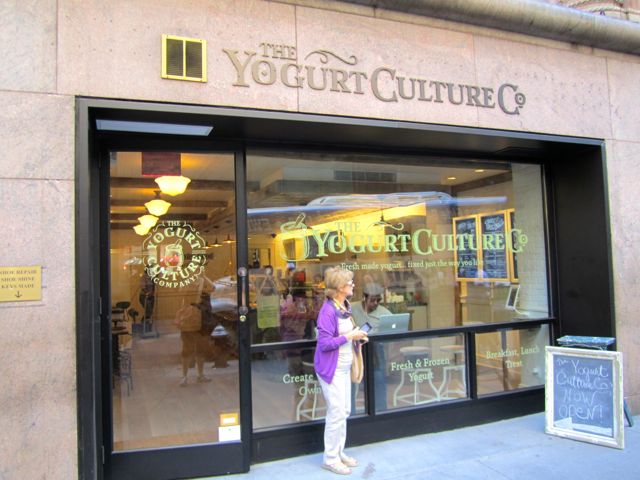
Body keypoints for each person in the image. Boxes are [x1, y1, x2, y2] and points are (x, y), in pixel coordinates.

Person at [314, 267, 368, 475]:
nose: (353, 284)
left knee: (344, 410)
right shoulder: (327, 311)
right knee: (336, 412)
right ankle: (330, 459)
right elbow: (325, 344)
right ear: (339, 287)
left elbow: (346, 336)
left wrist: (357, 337)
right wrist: (349, 337)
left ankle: (338, 452)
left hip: (344, 367)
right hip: (332, 369)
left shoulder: (344, 306)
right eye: (349, 282)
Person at [351, 283, 392, 411]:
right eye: (372, 300)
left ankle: (380, 411)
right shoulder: (352, 308)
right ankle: (351, 413)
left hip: (375, 350)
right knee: (352, 382)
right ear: (364, 298)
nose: (375, 303)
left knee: (378, 380)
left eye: (378, 300)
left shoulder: (385, 313)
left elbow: (394, 327)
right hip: (355, 350)